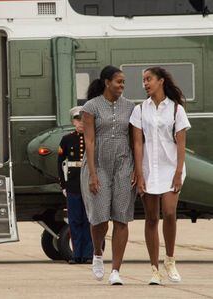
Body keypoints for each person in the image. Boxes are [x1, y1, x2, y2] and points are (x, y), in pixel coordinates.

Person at [129, 67, 191, 285]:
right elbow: (137, 143)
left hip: (170, 168)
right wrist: (139, 171)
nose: (145, 83)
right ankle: (154, 268)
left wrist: (177, 172)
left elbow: (182, 144)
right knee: (151, 218)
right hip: (147, 168)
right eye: (143, 80)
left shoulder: (176, 110)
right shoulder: (139, 110)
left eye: (149, 79)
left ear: (161, 81)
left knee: (170, 212)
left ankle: (170, 260)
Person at [81, 65, 136, 285]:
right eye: (118, 82)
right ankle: (97, 253)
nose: (122, 86)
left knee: (121, 217)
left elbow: (135, 140)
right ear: (106, 82)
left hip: (123, 164)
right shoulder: (91, 106)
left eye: (123, 82)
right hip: (99, 165)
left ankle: (116, 271)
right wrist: (93, 173)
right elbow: (90, 141)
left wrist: (136, 169)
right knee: (100, 218)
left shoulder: (131, 107)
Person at [58, 106, 93, 264]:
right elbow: (60, 163)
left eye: (83, 120)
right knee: (74, 220)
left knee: (88, 219)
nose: (81, 123)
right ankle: (76, 254)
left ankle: (88, 254)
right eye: (78, 120)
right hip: (72, 184)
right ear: (73, 121)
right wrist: (63, 185)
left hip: (88, 182)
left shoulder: (91, 138)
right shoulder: (67, 139)